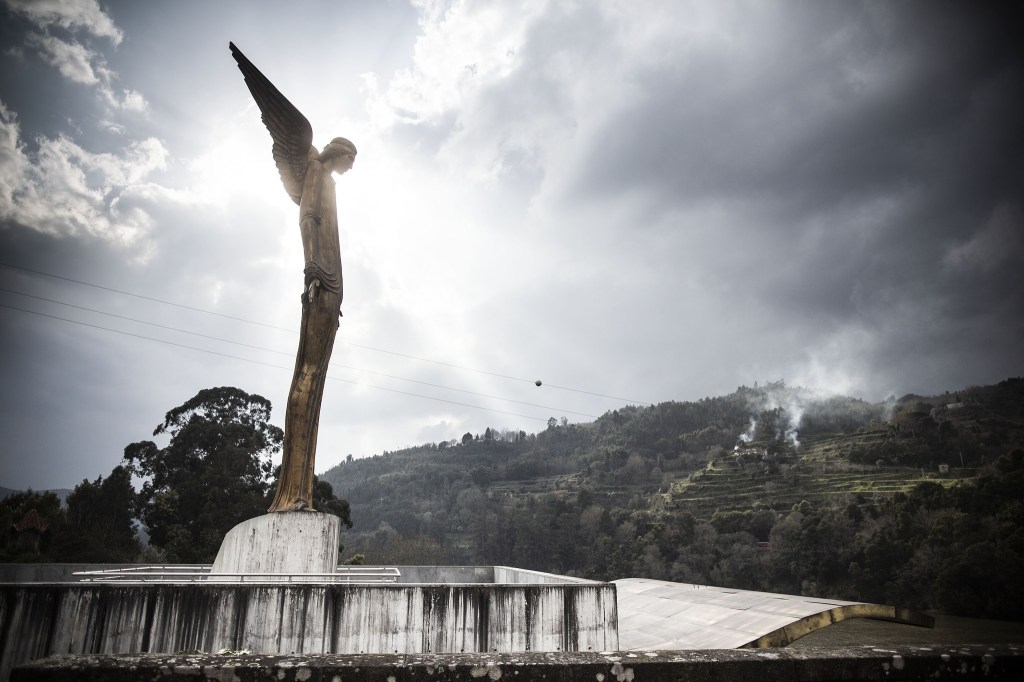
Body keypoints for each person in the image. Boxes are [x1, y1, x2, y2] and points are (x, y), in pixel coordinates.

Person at [268, 138, 356, 512]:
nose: (352, 166)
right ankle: (291, 491)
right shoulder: (317, 172)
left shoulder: (329, 181)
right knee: (307, 373)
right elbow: (308, 218)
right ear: (338, 152)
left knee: (316, 379)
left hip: (332, 283)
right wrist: (312, 268)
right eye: (351, 157)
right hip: (321, 277)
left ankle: (302, 488)